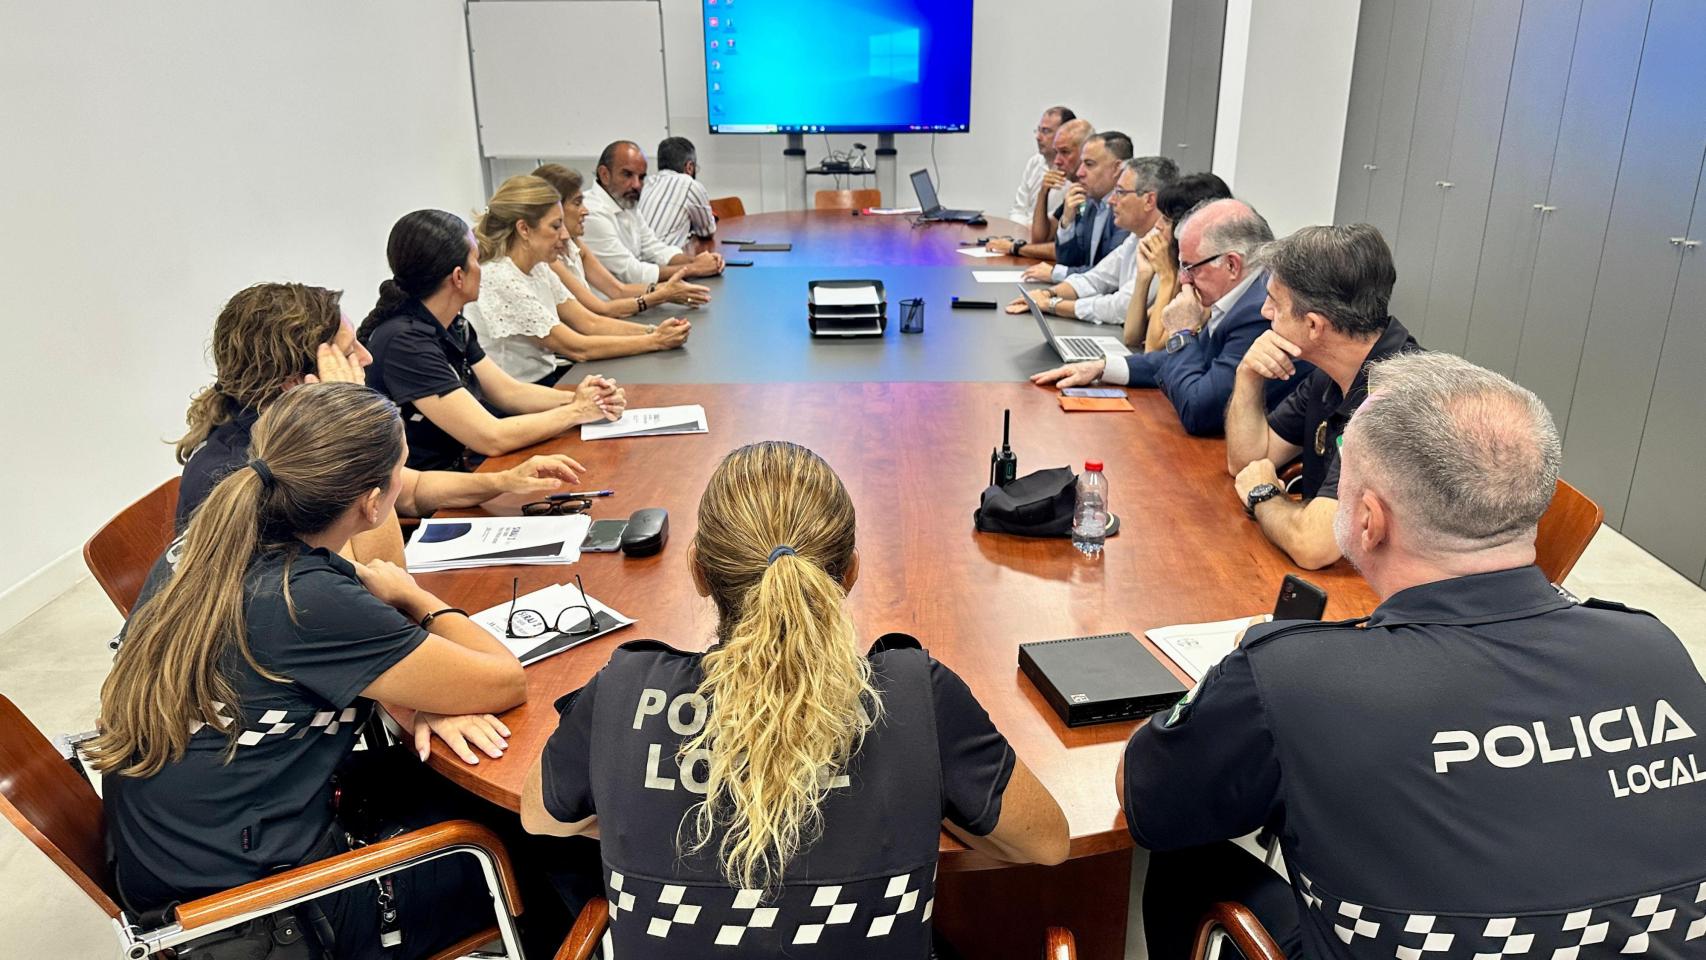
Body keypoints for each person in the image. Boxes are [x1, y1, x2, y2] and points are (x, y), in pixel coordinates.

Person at [1121, 351, 1706, 960]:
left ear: (1369, 521)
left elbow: (1149, 803)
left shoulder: (1294, 677)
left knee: (1185, 857)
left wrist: (1227, 685)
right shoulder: (1654, 647)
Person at [521, 441, 1070, 958]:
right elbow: (1045, 845)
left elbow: (541, 818)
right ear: (849, 574)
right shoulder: (915, 696)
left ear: (698, 572)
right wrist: (933, 800)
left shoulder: (623, 693)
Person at [94, 382, 530, 960]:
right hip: (267, 912)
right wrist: (416, 598)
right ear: (372, 504)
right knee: (540, 843)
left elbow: (320, 657)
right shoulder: (303, 599)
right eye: (400, 471)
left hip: (188, 857)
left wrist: (425, 690)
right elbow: (505, 679)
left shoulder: (206, 545)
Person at [176, 282, 588, 544]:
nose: (366, 357)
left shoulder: (277, 430)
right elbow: (379, 568)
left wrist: (502, 481)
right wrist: (348, 417)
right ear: (294, 381)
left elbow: (410, 489)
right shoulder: (263, 469)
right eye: (348, 351)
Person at [357, 209, 626, 472]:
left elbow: (509, 392)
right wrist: (577, 411)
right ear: (458, 277)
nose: (482, 268)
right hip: (430, 488)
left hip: (457, 471)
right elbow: (490, 437)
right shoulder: (405, 342)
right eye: (476, 259)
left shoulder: (453, 324)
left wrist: (582, 398)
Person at [1225, 224, 1420, 569]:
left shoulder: (1394, 401)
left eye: (1274, 303)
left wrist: (1263, 494)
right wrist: (1248, 375)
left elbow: (1313, 547)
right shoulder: (1331, 374)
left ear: (1314, 326)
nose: (1264, 312)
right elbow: (1248, 462)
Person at [1031, 198, 1298, 437]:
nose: (1184, 279)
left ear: (1231, 264)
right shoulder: (1242, 293)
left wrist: (1182, 333)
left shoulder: (1259, 312)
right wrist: (1102, 368)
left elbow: (1199, 411)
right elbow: (1196, 358)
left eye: (1190, 267)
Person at [466, 175, 691, 385]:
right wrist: (656, 340)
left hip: (546, 380)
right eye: (556, 226)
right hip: (521, 394)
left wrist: (653, 331)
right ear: (524, 229)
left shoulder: (539, 268)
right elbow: (577, 347)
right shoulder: (500, 278)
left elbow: (589, 322)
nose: (564, 235)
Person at [1005, 157, 1179, 347]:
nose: (1111, 200)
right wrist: (1048, 293)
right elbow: (1095, 279)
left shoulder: (1164, 246)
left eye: (1120, 193)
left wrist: (1052, 305)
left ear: (1149, 200)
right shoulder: (1136, 238)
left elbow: (1120, 307)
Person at [532, 163, 712, 321]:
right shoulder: (548, 258)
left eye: (641, 177)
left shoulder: (574, 243)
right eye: (577, 203)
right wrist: (663, 296)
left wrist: (667, 289)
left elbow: (618, 289)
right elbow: (598, 313)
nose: (585, 211)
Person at [581, 140, 724, 285]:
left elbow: (655, 249)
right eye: (627, 175)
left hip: (637, 293)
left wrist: (695, 261)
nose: (637, 185)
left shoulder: (627, 203)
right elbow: (631, 273)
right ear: (604, 174)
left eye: (641, 177)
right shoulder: (591, 212)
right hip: (615, 297)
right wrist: (694, 268)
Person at [1134, 172, 1233, 353]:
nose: (1157, 225)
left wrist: (1167, 277)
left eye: (1166, 219)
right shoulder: (1179, 266)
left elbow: (1153, 348)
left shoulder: (1205, 279)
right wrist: (1143, 277)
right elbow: (1132, 336)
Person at [1031, 131, 1137, 280]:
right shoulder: (1088, 202)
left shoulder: (1128, 209)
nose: (1079, 173)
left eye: (1089, 164)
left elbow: (1110, 274)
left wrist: (1057, 273)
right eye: (1081, 164)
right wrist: (1067, 222)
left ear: (1117, 168)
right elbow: (1069, 262)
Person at [987, 118, 1093, 257]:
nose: (1057, 161)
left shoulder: (1096, 194)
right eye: (1056, 152)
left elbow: (1071, 251)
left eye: (1065, 152)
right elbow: (1040, 238)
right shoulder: (1076, 190)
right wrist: (1043, 192)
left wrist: (1016, 248)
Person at [638, 136, 717, 248]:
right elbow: (707, 231)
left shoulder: (646, 183)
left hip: (635, 256)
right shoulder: (690, 185)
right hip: (663, 257)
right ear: (689, 167)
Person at [1007, 106, 1075, 227]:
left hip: (1050, 233)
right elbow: (1019, 209)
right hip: (1024, 231)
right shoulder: (1034, 163)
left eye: (1046, 131)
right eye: (1038, 130)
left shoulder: (1073, 173)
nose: (1038, 137)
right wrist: (1019, 232)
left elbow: (1058, 220)